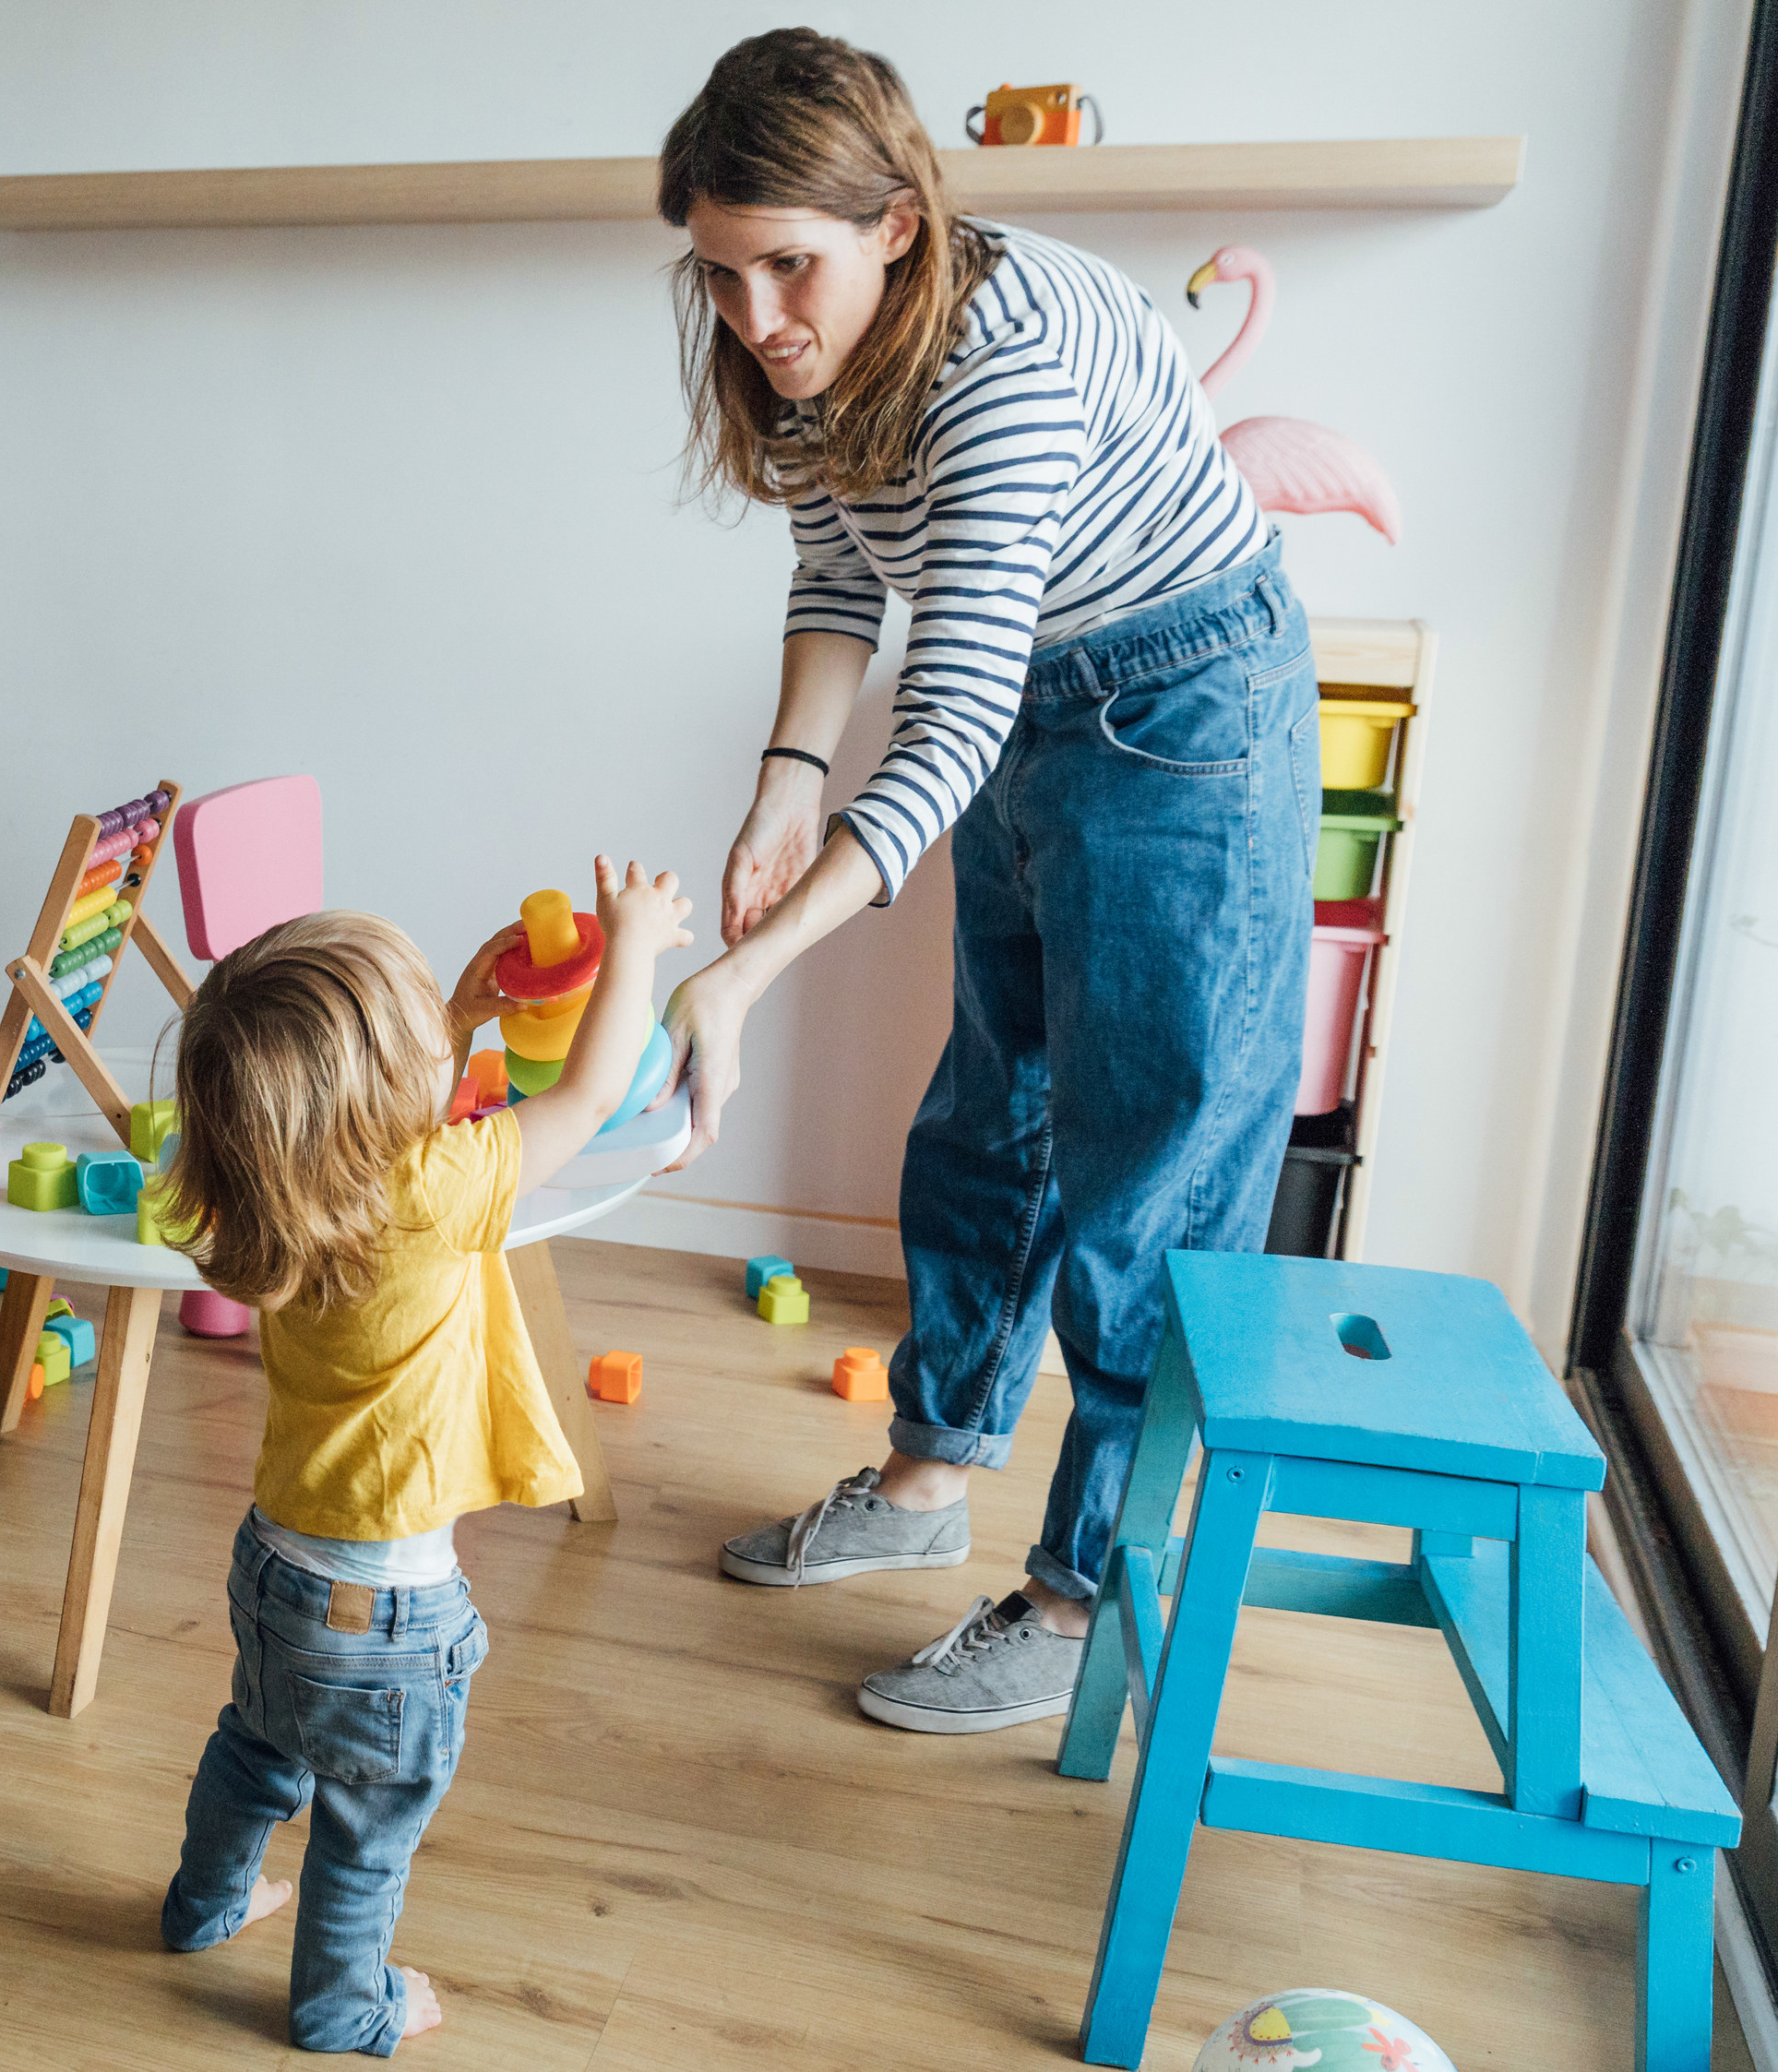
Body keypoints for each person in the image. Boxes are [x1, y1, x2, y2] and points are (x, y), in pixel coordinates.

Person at [652, 32, 1319, 1733]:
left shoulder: (1001, 357)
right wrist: (784, 785)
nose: (755, 316)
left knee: (1145, 1171)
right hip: (1040, 698)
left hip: (1183, 708)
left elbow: (948, 720)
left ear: (899, 221)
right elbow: (834, 566)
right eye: (721, 274)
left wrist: (738, 977)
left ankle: (1088, 1587)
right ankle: (928, 1474)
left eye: (789, 266)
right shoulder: (798, 352)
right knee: (992, 1118)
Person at [158, 862, 693, 2054]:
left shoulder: (278, 1187)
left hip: (275, 1564)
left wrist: (458, 1012)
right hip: (386, 1613)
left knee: (257, 1743)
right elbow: (597, 1089)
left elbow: (359, 1104)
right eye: (417, 1043)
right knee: (369, 1819)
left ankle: (203, 1905)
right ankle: (345, 2006)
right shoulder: (432, 1186)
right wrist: (637, 943)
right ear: (383, 1094)